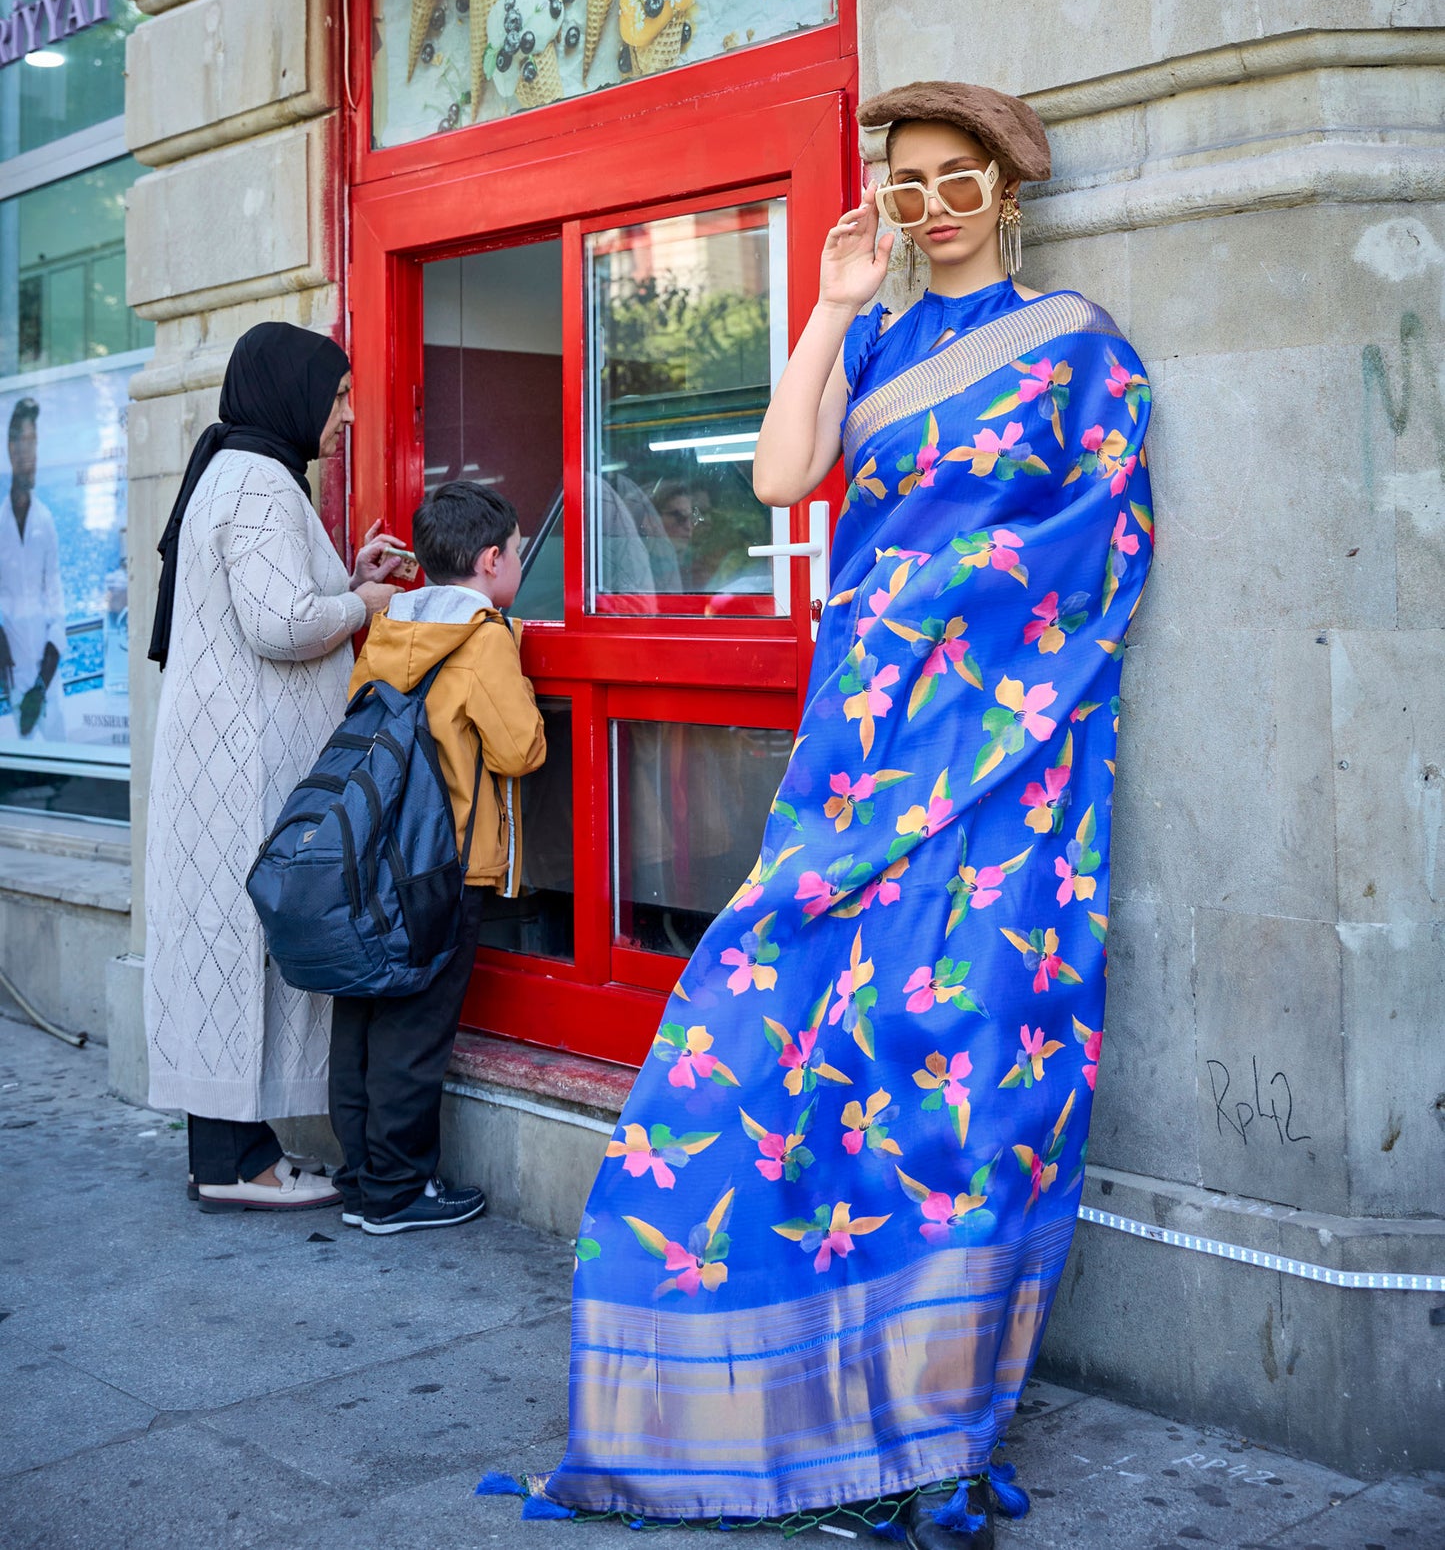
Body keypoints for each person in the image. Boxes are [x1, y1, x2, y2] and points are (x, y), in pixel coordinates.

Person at [523, 83, 1154, 1546]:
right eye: (907, 182)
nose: (928, 206)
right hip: (857, 757)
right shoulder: (874, 334)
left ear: (1008, 192)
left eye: (955, 181)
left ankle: (932, 1421)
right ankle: (762, 1391)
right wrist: (825, 302)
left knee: (972, 1053)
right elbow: (779, 475)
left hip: (1005, 763)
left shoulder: (1078, 349)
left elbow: (1102, 550)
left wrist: (939, 614)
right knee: (792, 1030)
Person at [145, 323, 403, 1212]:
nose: (345, 413)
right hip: (239, 770)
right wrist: (363, 603)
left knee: (224, 942)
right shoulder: (257, 480)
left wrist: (349, 571)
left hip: (225, 761)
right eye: (335, 396)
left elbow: (277, 593)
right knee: (238, 944)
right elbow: (281, 622)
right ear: (291, 391)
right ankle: (238, 1165)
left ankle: (226, 1151)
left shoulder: (244, 469)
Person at [335, 481, 547, 1234]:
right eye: (518, 552)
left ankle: (362, 1176)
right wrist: (514, 653)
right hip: (444, 864)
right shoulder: (484, 635)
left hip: (378, 858)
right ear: (492, 560)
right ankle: (397, 1189)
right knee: (416, 1029)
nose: (518, 562)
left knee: (362, 1014)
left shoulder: (393, 623)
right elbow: (519, 749)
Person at [0, 396, 67, 743]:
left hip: (47, 683)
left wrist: (40, 688)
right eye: (23, 442)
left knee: (59, 765)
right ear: (11, 449)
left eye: (34, 443)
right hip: (10, 677)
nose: (30, 453)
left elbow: (57, 611)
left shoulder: (46, 522)